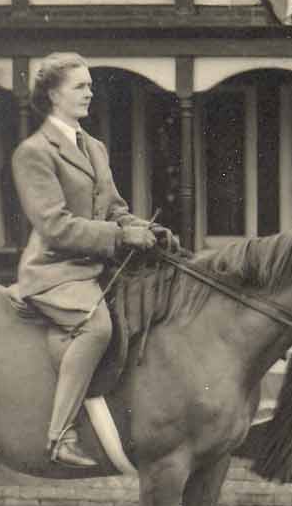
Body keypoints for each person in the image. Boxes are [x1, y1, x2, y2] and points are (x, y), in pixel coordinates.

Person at [11, 52, 177, 468]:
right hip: (55, 272)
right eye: (80, 86)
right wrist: (121, 237)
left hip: (98, 267)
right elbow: (55, 226)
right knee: (96, 326)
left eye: (90, 85)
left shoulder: (95, 147)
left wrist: (147, 229)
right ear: (53, 95)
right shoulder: (34, 152)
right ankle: (60, 435)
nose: (90, 92)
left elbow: (115, 209)